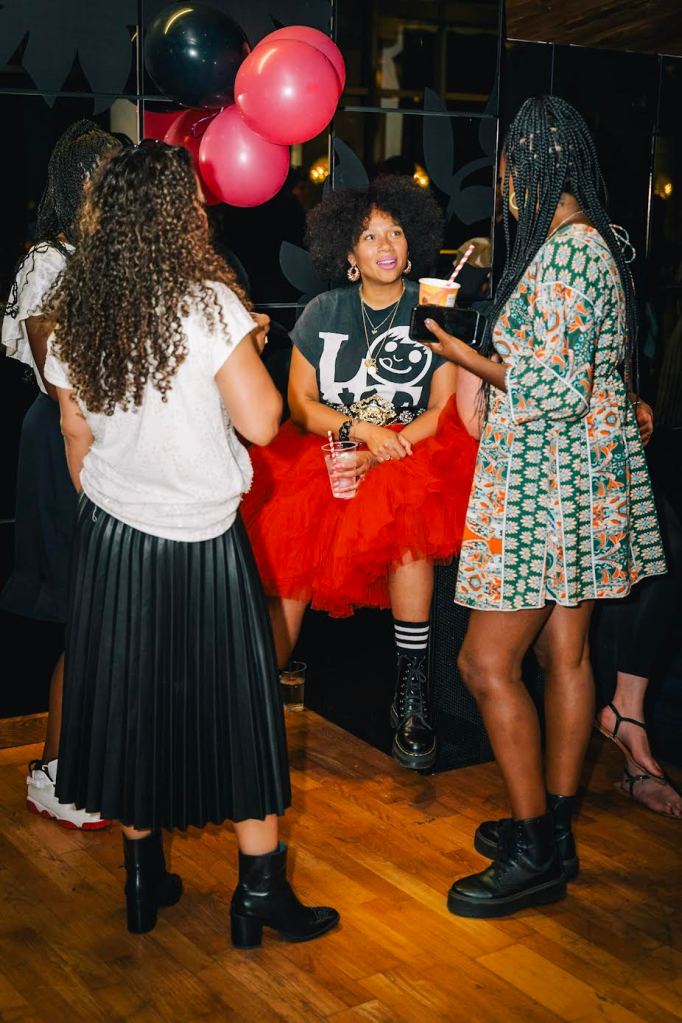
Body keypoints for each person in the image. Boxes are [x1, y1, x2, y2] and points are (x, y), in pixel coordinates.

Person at [43, 141, 339, 945]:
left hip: (113, 538)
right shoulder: (207, 304)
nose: (205, 213)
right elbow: (263, 422)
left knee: (130, 706)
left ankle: (144, 879)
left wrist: (116, 506)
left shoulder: (77, 310)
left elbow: (74, 432)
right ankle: (260, 892)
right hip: (202, 540)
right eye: (196, 204)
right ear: (176, 217)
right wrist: (249, 351)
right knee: (241, 710)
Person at [422, 95, 667, 918]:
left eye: (508, 167)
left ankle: (533, 848)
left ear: (529, 167)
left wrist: (463, 354)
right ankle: (555, 829)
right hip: (583, 484)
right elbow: (595, 371)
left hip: (547, 488)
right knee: (567, 655)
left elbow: (555, 390)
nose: (503, 182)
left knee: (484, 664)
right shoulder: (597, 244)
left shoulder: (564, 256)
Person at [241, 176, 479, 771]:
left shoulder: (433, 310)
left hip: (411, 455)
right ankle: (253, 698)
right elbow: (301, 406)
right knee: (290, 537)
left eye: (395, 232)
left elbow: (442, 409)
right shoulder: (323, 312)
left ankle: (411, 696)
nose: (385, 245)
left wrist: (386, 447)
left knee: (409, 521)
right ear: (348, 251)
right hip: (330, 450)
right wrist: (361, 434)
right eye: (369, 236)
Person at [1, 120, 121, 830]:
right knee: (86, 610)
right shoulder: (50, 259)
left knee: (105, 613)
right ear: (81, 183)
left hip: (110, 435)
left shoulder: (115, 257)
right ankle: (54, 769)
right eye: (108, 177)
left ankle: (88, 762)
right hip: (60, 435)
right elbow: (55, 375)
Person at [594, 399, 682, 817]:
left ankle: (627, 713)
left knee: (663, 551)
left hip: (605, 439)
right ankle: (626, 723)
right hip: (538, 446)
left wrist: (635, 404)